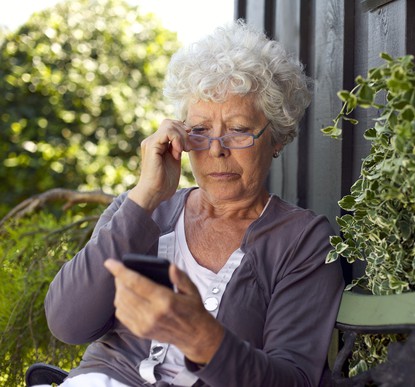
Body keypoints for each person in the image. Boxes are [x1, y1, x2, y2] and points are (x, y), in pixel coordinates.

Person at [43, 20, 344, 387]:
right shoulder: (142, 208)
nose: (216, 149)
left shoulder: (301, 240)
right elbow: (68, 322)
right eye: (199, 131)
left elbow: (293, 379)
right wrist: (146, 196)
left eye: (238, 129)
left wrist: (203, 339)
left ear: (276, 138)